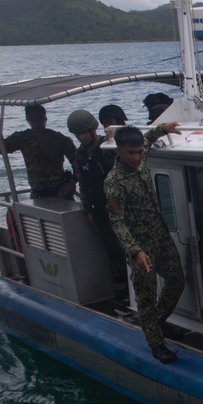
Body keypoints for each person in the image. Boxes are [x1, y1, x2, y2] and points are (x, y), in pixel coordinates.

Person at [105, 123, 185, 363]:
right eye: (131, 153)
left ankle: (157, 323)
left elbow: (148, 138)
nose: (138, 157)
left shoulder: (140, 158)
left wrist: (163, 127)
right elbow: (117, 222)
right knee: (146, 296)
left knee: (176, 281)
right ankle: (156, 342)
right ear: (118, 151)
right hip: (141, 247)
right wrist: (135, 250)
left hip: (160, 237)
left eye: (140, 152)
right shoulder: (114, 182)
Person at [67, 109, 126, 297]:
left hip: (116, 204)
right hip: (98, 205)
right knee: (109, 244)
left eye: (85, 132)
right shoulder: (80, 154)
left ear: (93, 130)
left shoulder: (106, 146)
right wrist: (87, 210)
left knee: (124, 242)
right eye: (79, 134)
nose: (82, 137)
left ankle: (130, 280)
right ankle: (121, 279)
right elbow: (83, 182)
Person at [0, 104, 76, 199]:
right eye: (33, 119)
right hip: (37, 193)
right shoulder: (22, 138)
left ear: (45, 118)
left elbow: (78, 162)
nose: (37, 123)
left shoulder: (59, 139)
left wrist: (73, 181)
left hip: (60, 191)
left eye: (40, 119)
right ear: (28, 120)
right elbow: (0, 148)